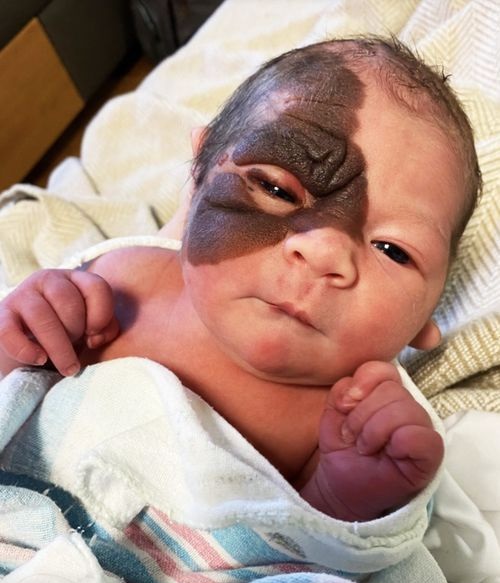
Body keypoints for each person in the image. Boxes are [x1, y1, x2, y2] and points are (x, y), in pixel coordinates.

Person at [0, 36, 481, 524]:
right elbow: (16, 394)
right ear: (198, 174)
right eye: (277, 189)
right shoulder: (120, 278)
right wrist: (24, 336)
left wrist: (345, 498)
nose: (323, 252)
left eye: (393, 250)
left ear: (425, 321)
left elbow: (297, 553)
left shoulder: (354, 425)